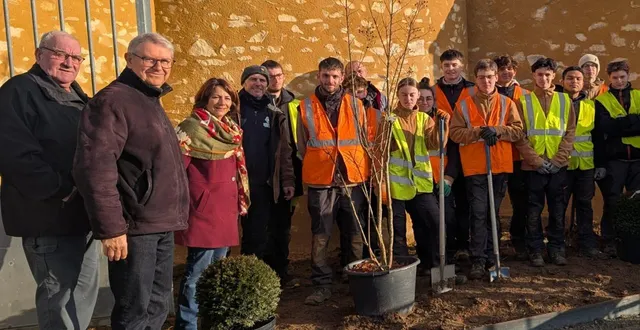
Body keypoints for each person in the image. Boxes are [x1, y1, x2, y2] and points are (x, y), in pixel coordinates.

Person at [73, 32, 189, 329]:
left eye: (165, 61)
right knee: (134, 310)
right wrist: (111, 228)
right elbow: (95, 169)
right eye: (149, 59)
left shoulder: (149, 99)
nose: (158, 66)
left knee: (158, 305)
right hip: (134, 228)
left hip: (159, 223)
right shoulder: (113, 101)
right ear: (129, 59)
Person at [0, 30, 98, 330]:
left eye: (76, 57)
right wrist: (62, 190)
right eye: (60, 54)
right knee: (58, 300)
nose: (69, 62)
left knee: (80, 297)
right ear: (39, 54)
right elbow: (14, 153)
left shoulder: (77, 96)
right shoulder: (19, 90)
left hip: (84, 217)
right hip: (49, 216)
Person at [297, 57, 373, 305]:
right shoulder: (305, 106)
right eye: (326, 76)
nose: (330, 81)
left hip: (352, 178)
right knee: (321, 234)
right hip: (321, 180)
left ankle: (356, 279)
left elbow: (364, 139)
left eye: (335, 76)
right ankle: (321, 284)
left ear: (342, 78)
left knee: (355, 233)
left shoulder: (356, 105)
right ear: (319, 76)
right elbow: (301, 145)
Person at [173, 78, 249, 330]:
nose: (222, 102)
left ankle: (212, 323)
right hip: (203, 212)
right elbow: (175, 174)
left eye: (227, 98)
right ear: (205, 98)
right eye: (216, 96)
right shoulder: (191, 129)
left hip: (226, 210)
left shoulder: (230, 130)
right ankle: (188, 325)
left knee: (216, 273)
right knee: (197, 274)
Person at [449, 59, 524, 279]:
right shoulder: (464, 104)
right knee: (479, 213)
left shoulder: (507, 103)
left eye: (490, 77)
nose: (486, 81)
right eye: (481, 78)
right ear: (476, 80)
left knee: (493, 212)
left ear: (496, 77)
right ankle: (478, 259)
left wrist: (497, 131)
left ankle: (493, 256)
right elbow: (455, 133)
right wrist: (479, 132)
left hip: (499, 166)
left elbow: (518, 131)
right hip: (475, 168)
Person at [380, 77, 449, 272]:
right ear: (398, 96)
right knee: (398, 233)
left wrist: (442, 125)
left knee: (433, 224)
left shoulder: (424, 119)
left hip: (420, 185)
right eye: (404, 95)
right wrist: (381, 183)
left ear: (418, 96)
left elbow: (435, 144)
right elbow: (379, 151)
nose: (408, 98)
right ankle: (402, 273)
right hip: (396, 187)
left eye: (412, 95)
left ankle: (434, 267)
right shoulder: (388, 119)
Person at [514, 57, 576, 267]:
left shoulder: (565, 100)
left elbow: (570, 132)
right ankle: (535, 250)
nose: (543, 78)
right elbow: (519, 135)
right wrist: (537, 162)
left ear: (553, 76)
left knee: (558, 211)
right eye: (539, 74)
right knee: (533, 211)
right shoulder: (523, 101)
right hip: (533, 168)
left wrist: (559, 160)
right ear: (533, 76)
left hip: (558, 167)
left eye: (547, 75)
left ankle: (557, 249)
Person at [238, 65, 295, 262]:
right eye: (253, 79)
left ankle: (268, 279)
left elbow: (284, 150)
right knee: (245, 234)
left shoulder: (273, 111)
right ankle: (245, 281)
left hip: (267, 183)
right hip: (239, 183)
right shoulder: (234, 109)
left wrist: (287, 180)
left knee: (266, 233)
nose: (259, 84)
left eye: (262, 80)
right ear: (244, 82)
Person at [260, 60, 302, 284]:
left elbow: (296, 143)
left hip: (288, 174)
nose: (275, 79)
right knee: (261, 227)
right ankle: (263, 274)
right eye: (270, 76)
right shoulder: (255, 103)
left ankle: (281, 271)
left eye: (279, 75)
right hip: (262, 175)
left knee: (282, 226)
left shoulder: (294, 105)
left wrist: (292, 178)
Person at [594, 60, 640, 258]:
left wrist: (620, 124)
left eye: (622, 77)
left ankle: (633, 240)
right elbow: (606, 128)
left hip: (638, 160)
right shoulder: (601, 101)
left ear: (628, 76)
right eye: (615, 78)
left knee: (636, 201)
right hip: (614, 160)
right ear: (609, 78)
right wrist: (633, 120)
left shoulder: (639, 96)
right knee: (611, 202)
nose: (619, 81)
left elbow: (615, 127)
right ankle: (610, 240)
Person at [559, 66, 607, 260]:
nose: (574, 82)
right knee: (559, 204)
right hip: (562, 164)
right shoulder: (557, 103)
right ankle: (558, 243)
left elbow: (597, 137)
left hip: (585, 165)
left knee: (585, 205)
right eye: (570, 78)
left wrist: (600, 164)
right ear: (562, 81)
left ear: (583, 82)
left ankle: (586, 241)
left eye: (578, 78)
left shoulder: (591, 106)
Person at [435, 49, 476, 261]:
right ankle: (447, 246)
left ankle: (464, 245)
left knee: (464, 202)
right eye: (446, 66)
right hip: (442, 150)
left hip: (467, 149)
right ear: (441, 67)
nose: (451, 69)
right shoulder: (433, 91)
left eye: (455, 65)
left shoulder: (472, 90)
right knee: (444, 203)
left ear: (461, 66)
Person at [493, 54, 530, 260]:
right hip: (496, 155)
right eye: (501, 69)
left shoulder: (525, 94)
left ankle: (518, 238)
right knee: (494, 201)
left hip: (517, 156)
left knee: (520, 201)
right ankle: (494, 240)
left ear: (514, 71)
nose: (506, 72)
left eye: (509, 69)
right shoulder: (486, 92)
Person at [416, 77, 457, 268]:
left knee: (445, 220)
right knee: (424, 223)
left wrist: (448, 178)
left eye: (428, 99)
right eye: (420, 98)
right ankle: (427, 262)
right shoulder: (409, 120)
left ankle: (444, 260)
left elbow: (454, 151)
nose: (424, 102)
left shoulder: (443, 118)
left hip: (440, 179)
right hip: (419, 180)